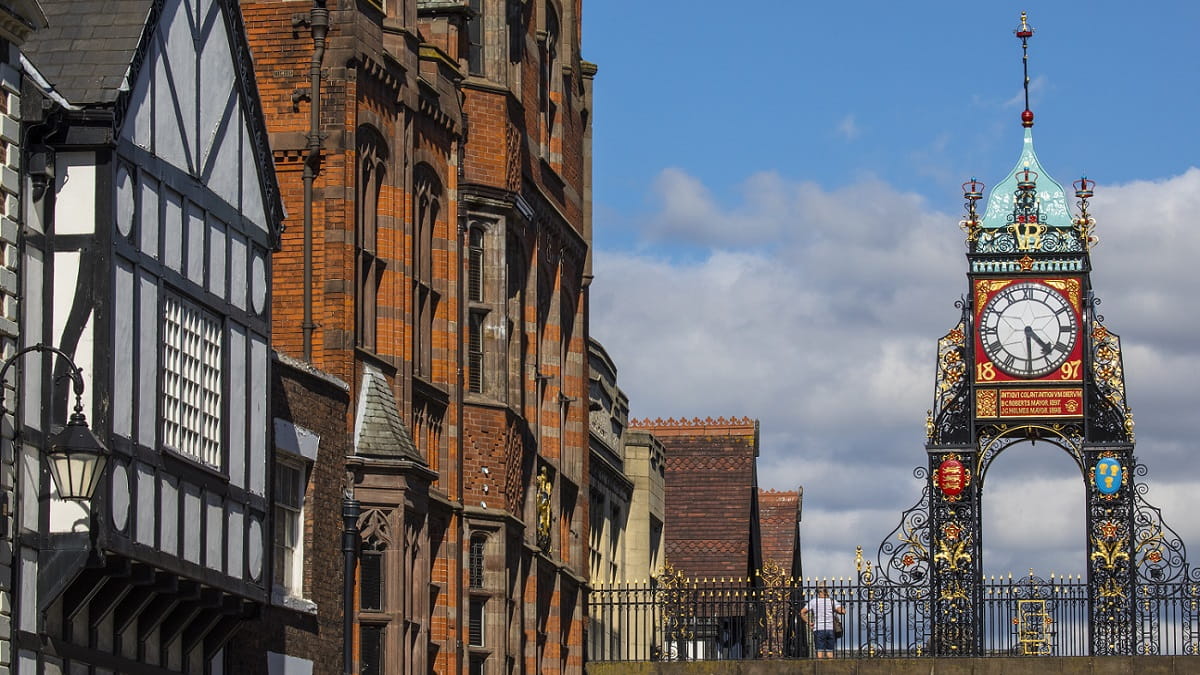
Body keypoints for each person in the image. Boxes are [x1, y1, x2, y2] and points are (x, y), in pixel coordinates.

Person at [800, 583, 845, 659]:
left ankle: (819, 668)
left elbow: (802, 612)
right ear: (827, 591)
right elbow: (843, 611)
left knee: (819, 652)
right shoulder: (832, 601)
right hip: (830, 629)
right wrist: (835, 610)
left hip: (818, 629)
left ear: (818, 592)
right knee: (830, 653)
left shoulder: (813, 601)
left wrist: (809, 622)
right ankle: (830, 668)